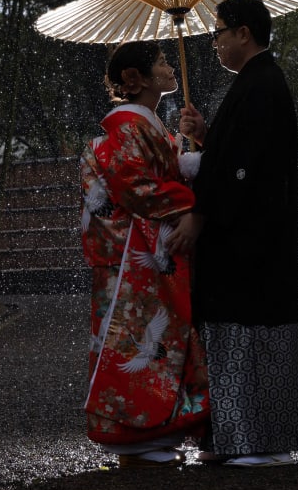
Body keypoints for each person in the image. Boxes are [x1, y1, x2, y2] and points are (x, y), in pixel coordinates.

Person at [172, 0, 298, 467]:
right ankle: (236, 436)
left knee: (249, 331)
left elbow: (244, 168)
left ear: (243, 33)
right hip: (248, 236)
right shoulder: (254, 84)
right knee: (235, 332)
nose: (214, 42)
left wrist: (201, 212)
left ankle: (256, 439)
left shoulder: (262, 85)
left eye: (218, 32)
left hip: (253, 240)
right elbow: (235, 155)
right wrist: (207, 137)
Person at [79, 40, 209, 467]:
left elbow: (157, 175)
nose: (170, 68)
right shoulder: (127, 127)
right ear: (134, 80)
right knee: (136, 341)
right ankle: (135, 434)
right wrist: (191, 205)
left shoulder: (145, 123)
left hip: (144, 250)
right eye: (160, 62)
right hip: (132, 253)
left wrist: (191, 145)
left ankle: (152, 432)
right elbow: (135, 185)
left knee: (152, 341)